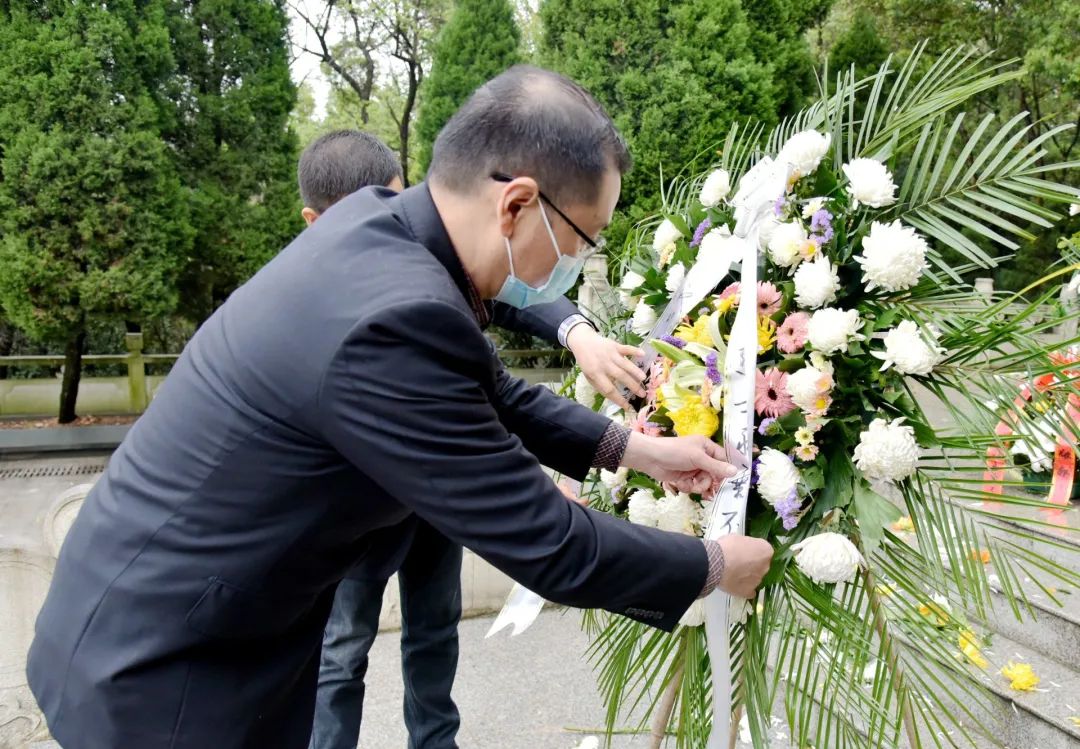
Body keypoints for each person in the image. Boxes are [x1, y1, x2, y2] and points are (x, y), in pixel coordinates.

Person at [27, 65, 773, 749]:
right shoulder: (393, 315)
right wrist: (711, 564)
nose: (577, 263)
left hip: (170, 622)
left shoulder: (382, 232)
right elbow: (551, 545)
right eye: (586, 238)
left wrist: (636, 449)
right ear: (516, 203)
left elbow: (492, 390)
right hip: (171, 676)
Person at [296, 129, 643, 749]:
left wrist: (576, 331)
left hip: (437, 500)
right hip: (355, 513)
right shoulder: (313, 294)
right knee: (342, 650)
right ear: (314, 222)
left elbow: (501, 286)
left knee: (435, 628)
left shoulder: (425, 251)